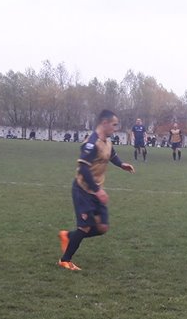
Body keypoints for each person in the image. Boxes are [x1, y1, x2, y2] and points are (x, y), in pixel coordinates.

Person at [57, 109, 135, 271]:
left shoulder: (107, 141)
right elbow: (83, 168)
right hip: (83, 190)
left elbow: (111, 155)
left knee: (102, 227)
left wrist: (121, 164)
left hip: (96, 190)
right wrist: (97, 190)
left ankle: (68, 236)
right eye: (114, 125)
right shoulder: (91, 143)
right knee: (85, 227)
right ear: (104, 123)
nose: (116, 128)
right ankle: (65, 260)